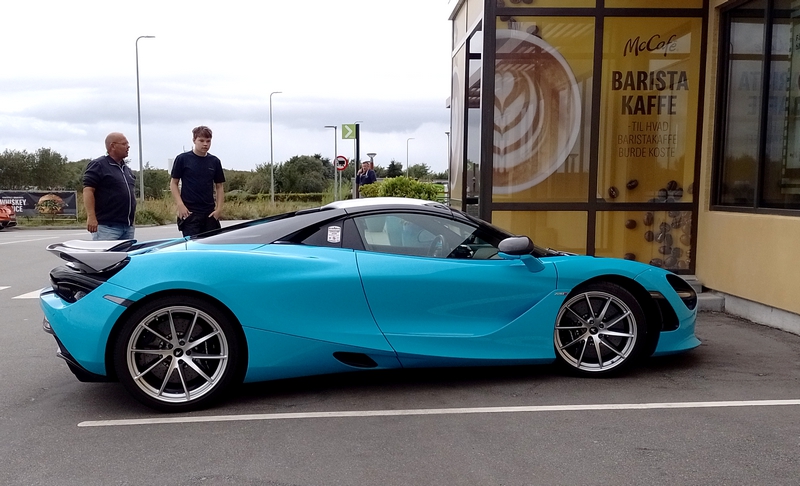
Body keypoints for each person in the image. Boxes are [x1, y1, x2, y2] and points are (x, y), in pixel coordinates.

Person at [170, 126, 226, 237]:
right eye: (201, 140)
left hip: (210, 214)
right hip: (190, 213)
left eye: (208, 141)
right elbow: (173, 183)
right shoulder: (182, 159)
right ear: (194, 140)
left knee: (212, 249)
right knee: (192, 249)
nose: (205, 144)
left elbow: (219, 186)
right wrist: (180, 205)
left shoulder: (214, 161)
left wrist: (219, 209)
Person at [82, 132, 137, 240]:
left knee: (125, 257)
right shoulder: (99, 165)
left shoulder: (126, 169)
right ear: (113, 146)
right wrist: (91, 216)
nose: (128, 146)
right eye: (124, 144)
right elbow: (88, 190)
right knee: (107, 257)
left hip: (127, 227)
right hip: (107, 227)